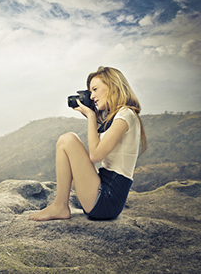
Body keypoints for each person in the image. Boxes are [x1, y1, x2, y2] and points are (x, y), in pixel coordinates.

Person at [29, 66, 146, 221]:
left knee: (68, 139)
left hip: (107, 199)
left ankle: (60, 206)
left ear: (112, 86)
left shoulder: (126, 114)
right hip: (103, 191)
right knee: (65, 142)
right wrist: (93, 116)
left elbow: (96, 155)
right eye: (90, 92)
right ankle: (60, 205)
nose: (92, 96)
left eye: (95, 89)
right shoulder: (114, 118)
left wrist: (91, 116)